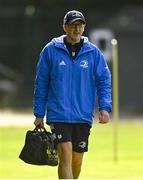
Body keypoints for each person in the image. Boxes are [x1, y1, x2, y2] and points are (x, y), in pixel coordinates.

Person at [33, 10, 112, 179]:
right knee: (65, 155)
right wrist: (39, 113)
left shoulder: (94, 53)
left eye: (80, 25)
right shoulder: (50, 50)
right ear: (65, 27)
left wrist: (105, 107)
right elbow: (41, 83)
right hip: (58, 114)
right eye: (73, 25)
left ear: (84, 28)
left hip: (83, 116)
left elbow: (104, 81)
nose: (77, 29)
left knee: (76, 161)